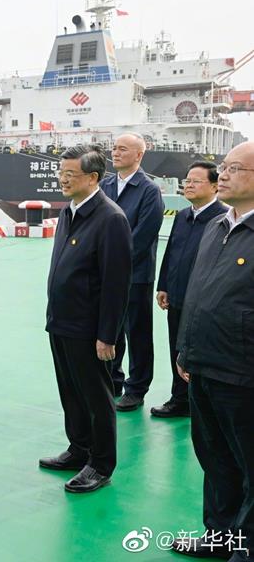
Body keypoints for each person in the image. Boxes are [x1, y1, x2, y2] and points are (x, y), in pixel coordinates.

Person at [172, 142, 254, 560]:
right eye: (223, 167)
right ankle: (221, 537)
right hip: (203, 366)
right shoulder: (216, 226)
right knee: (215, 459)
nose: (223, 175)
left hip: (242, 373)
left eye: (235, 168)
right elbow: (198, 292)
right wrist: (185, 349)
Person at [39, 144, 131, 493]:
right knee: (71, 392)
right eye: (60, 173)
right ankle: (78, 448)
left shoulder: (110, 219)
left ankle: (101, 464)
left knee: (96, 397)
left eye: (70, 174)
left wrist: (108, 334)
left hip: (89, 328)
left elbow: (116, 284)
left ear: (93, 178)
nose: (62, 180)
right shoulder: (69, 212)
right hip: (61, 321)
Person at [152, 162, 227, 418]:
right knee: (176, 347)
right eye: (187, 180)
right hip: (177, 296)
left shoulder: (221, 218)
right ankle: (180, 399)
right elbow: (171, 251)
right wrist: (163, 285)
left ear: (215, 186)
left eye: (196, 181)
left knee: (200, 352)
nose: (188, 185)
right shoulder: (183, 215)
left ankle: (200, 402)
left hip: (203, 301)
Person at [100, 132, 165, 411]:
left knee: (137, 333)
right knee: (110, 329)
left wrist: (115, 263)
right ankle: (112, 380)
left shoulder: (149, 190)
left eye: (123, 149)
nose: (115, 153)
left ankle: (136, 388)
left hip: (136, 275)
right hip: (107, 273)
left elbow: (144, 235)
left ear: (139, 155)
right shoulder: (105, 185)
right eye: (114, 148)